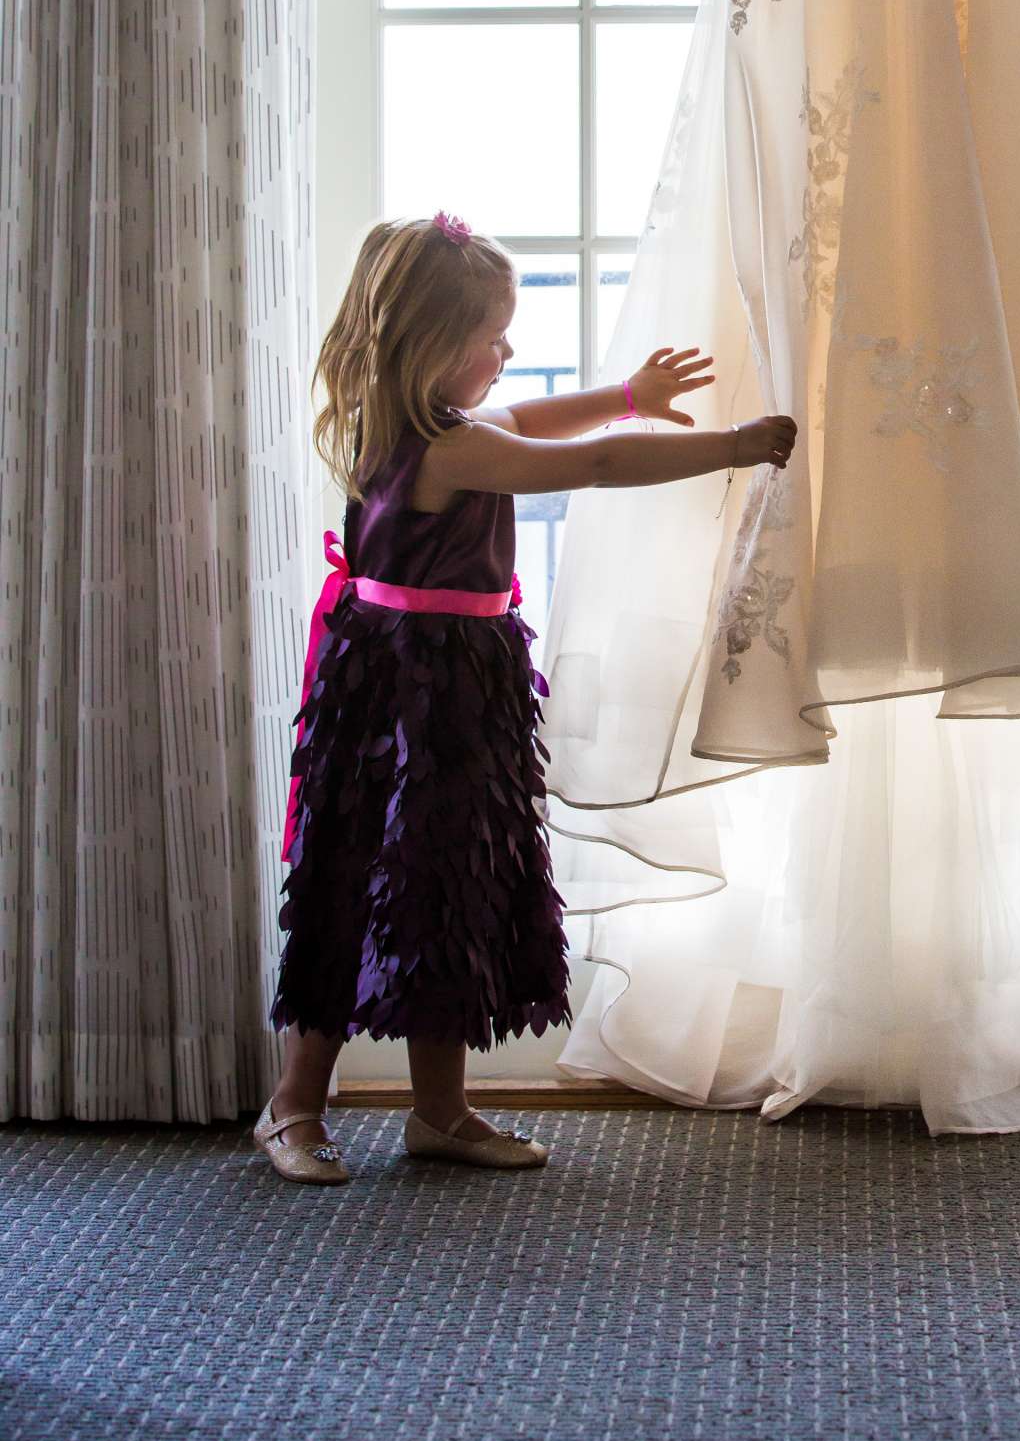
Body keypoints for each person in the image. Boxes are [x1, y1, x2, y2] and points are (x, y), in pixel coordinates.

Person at [254, 210, 796, 1185]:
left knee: (440, 891)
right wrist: (733, 446)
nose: (509, 351)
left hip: (452, 679)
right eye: (491, 336)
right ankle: (292, 1107)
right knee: (351, 886)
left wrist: (627, 393)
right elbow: (586, 462)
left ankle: (440, 1112)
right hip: (406, 690)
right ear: (430, 345)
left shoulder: (426, 424)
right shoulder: (441, 450)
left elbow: (537, 422)